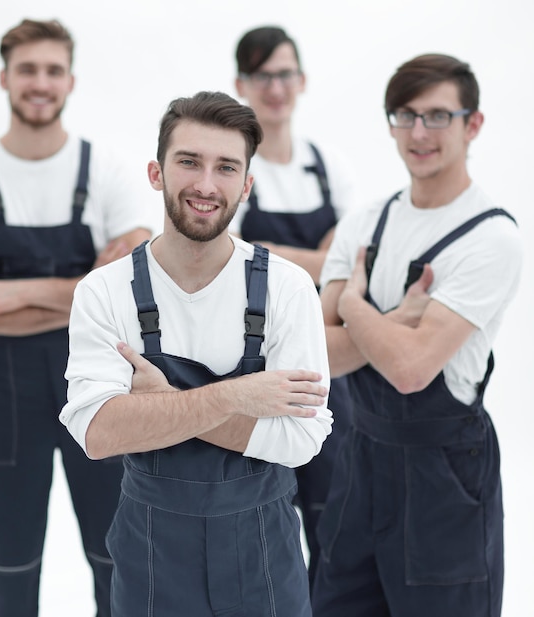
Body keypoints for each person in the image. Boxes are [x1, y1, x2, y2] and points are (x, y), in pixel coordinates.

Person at [59, 91, 333, 616]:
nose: (206, 185)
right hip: (152, 554)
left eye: (226, 167)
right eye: (189, 162)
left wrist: (161, 405)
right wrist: (241, 396)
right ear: (156, 172)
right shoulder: (104, 292)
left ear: (247, 184)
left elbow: (301, 440)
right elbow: (97, 433)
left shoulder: (288, 289)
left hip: (263, 554)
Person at [0, 18, 151, 617]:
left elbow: (132, 294)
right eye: (27, 69)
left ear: (71, 80)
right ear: (4, 78)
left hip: (103, 395)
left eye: (53, 70)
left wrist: (13, 293)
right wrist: (86, 289)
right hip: (5, 404)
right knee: (7, 566)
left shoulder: (105, 169)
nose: (40, 82)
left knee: (119, 560)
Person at [312, 53, 523, 617]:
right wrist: (394, 325)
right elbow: (320, 358)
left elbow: (411, 371)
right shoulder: (366, 220)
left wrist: (354, 304)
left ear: (472, 124)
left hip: (444, 480)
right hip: (357, 463)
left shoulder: (490, 238)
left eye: (437, 116)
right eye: (404, 116)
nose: (419, 133)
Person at [233, 25, 358, 587]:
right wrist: (320, 258)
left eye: (284, 74)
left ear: (301, 80)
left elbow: (355, 263)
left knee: (336, 519)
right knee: (263, 518)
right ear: (241, 84)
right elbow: (227, 260)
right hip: (254, 365)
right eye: (262, 76)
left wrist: (270, 254)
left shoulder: (329, 165)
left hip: (331, 363)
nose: (275, 88)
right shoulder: (233, 166)